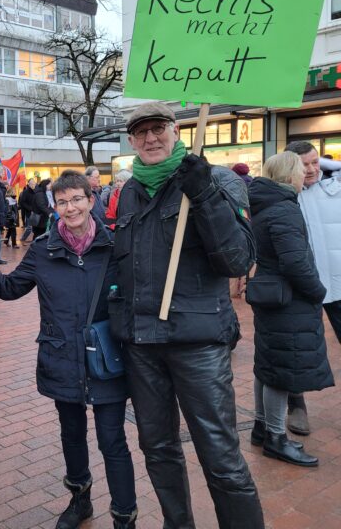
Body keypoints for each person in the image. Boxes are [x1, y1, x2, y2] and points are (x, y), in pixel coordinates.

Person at [114, 102, 264, 528]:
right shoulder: (128, 191)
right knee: (158, 449)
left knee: (220, 454)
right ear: (131, 141)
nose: (150, 138)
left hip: (197, 343)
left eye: (158, 128)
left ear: (176, 130)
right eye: (140, 132)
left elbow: (237, 260)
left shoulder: (215, 180)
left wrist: (202, 196)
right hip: (142, 345)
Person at [0, 170, 137, 529]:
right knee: (71, 434)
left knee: (113, 441)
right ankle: (80, 500)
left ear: (92, 201)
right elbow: (10, 287)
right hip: (61, 356)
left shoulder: (117, 245)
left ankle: (124, 516)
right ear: (54, 207)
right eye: (62, 202)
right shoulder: (44, 250)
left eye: (77, 199)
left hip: (107, 358)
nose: (70, 207)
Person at [247, 152, 333, 467]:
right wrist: (318, 291)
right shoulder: (284, 209)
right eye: (301, 171)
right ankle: (275, 438)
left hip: (272, 297)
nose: (305, 176)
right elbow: (295, 262)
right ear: (291, 175)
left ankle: (260, 427)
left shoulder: (265, 205)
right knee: (281, 370)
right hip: (288, 300)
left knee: (267, 365)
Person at [282, 141, 341, 436]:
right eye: (303, 164)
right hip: (302, 286)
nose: (311, 169)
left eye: (316, 162)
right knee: (296, 348)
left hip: (339, 282)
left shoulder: (336, 188)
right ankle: (297, 406)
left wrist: (334, 166)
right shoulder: (283, 196)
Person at [18, 177, 36, 243]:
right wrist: (30, 209)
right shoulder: (25, 192)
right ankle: (23, 238)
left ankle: (35, 239)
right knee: (29, 228)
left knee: (36, 227)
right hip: (29, 212)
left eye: (34, 183)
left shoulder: (36, 191)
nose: (33, 185)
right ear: (28, 184)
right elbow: (22, 202)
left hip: (36, 212)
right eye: (31, 183)